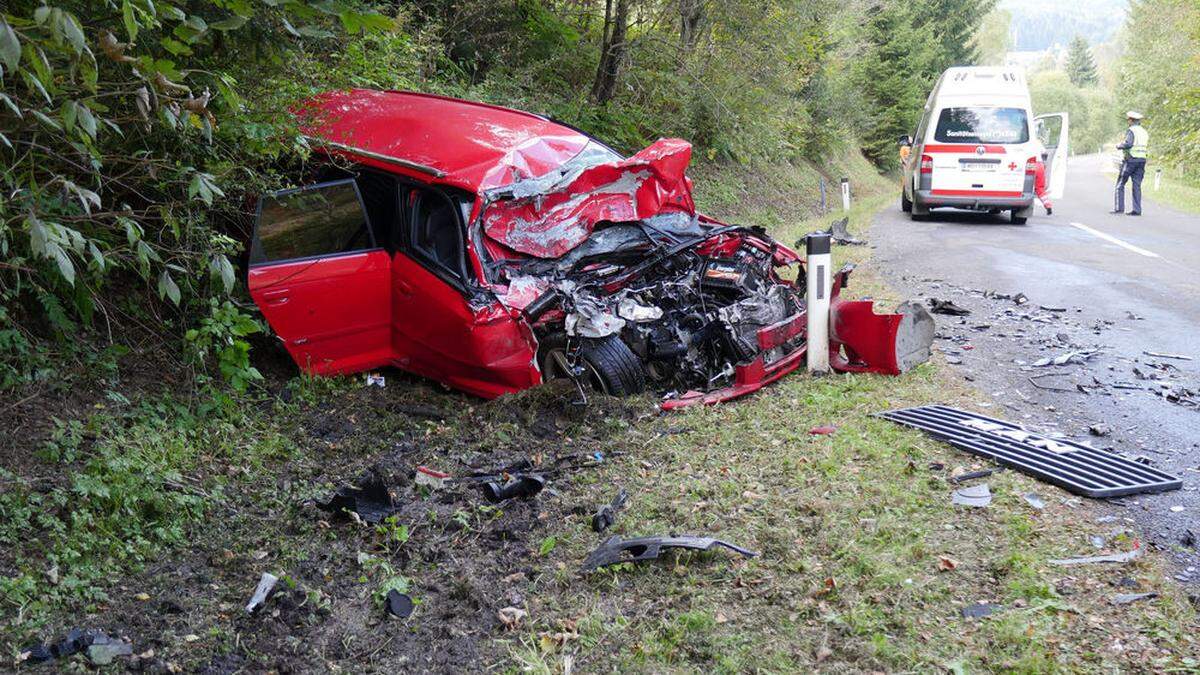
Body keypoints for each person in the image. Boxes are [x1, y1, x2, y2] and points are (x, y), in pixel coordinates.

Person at [1112, 111, 1149, 216]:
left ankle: (1119, 208)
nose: (1127, 121)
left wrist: (1119, 145)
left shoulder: (1131, 130)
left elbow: (1128, 144)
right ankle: (1137, 210)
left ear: (1132, 120)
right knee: (1137, 185)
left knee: (1120, 183)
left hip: (1130, 160)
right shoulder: (1144, 132)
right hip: (1141, 160)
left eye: (1128, 119)